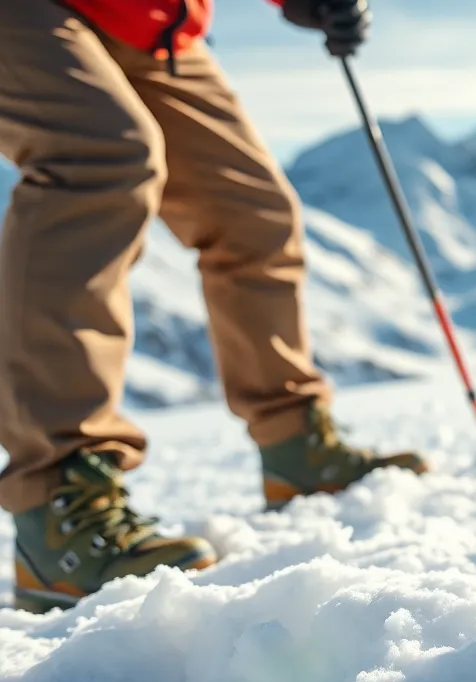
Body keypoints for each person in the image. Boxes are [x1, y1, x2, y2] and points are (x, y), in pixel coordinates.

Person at [0, 0, 428, 614]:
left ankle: (295, 443)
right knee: (97, 158)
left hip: (155, 17)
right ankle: (56, 501)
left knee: (253, 211)